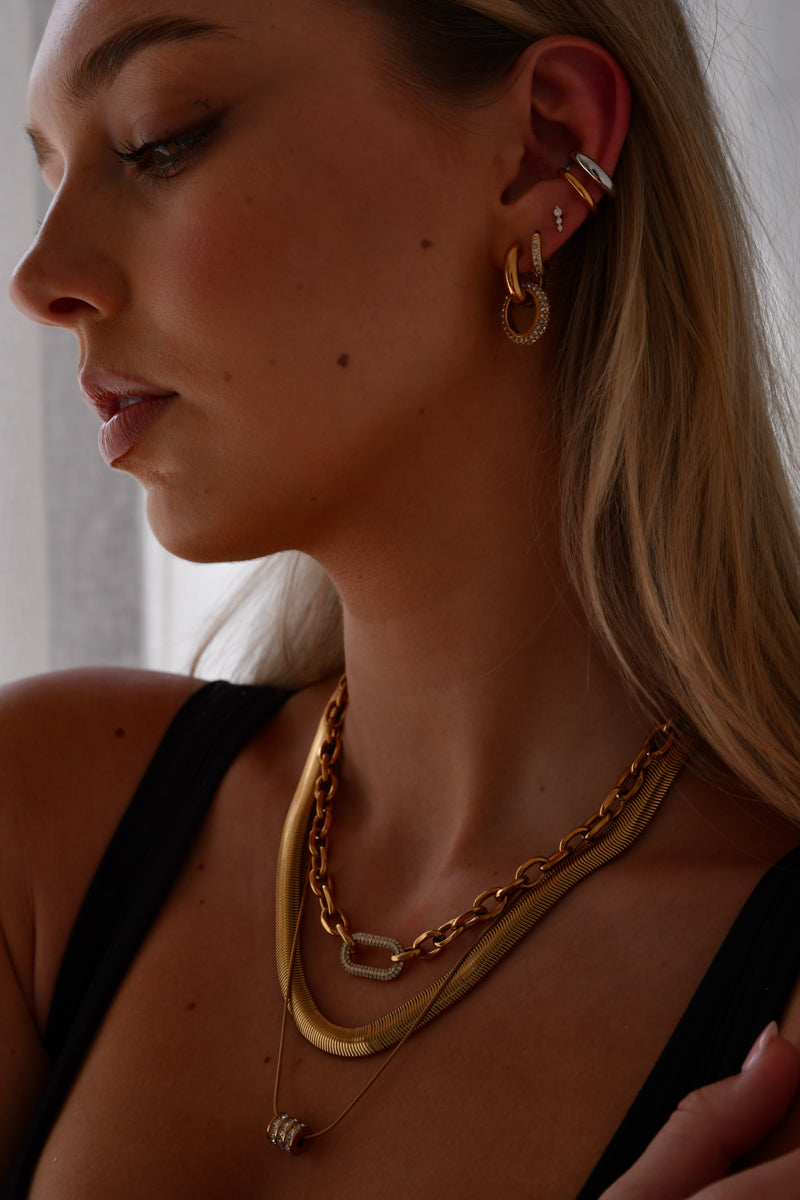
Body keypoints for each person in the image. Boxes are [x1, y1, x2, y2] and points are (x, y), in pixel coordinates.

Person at [3, 0, 800, 1195]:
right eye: (51, 176)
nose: (37, 279)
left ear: (541, 148)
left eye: (160, 139)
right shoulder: (39, 833)